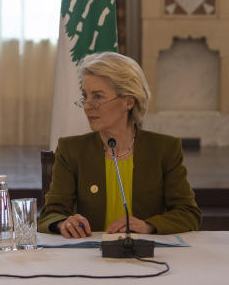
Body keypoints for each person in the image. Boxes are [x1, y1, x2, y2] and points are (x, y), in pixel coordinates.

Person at [39, 51, 201, 237]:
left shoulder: (164, 149)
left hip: (146, 259)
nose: (87, 105)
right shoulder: (72, 150)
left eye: (98, 96)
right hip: (90, 259)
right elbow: (49, 214)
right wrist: (63, 223)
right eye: (86, 96)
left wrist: (148, 226)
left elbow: (189, 214)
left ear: (129, 102)